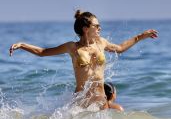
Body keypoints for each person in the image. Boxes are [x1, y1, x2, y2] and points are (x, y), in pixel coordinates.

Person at [9, 10, 158, 109]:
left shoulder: (101, 43)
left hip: (100, 101)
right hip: (81, 102)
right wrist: (22, 45)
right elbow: (43, 52)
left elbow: (120, 48)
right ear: (86, 29)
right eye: (96, 25)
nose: (100, 28)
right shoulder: (72, 48)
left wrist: (140, 36)